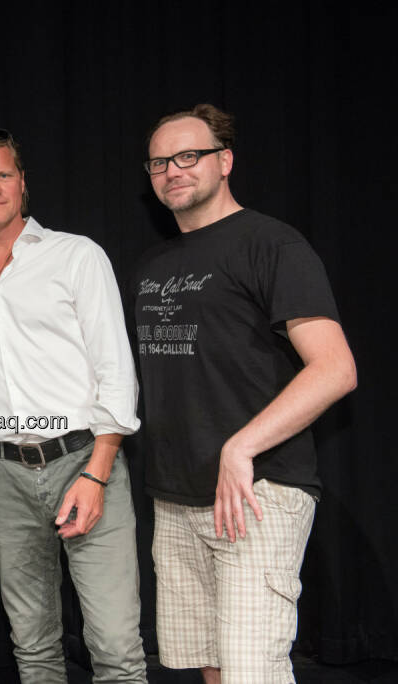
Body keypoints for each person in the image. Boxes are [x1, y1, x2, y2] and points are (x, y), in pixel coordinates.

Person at [133, 104, 357, 683]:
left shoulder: (271, 244)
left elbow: (335, 369)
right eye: (160, 162)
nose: (172, 170)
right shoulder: (154, 264)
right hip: (177, 496)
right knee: (209, 666)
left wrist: (241, 447)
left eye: (189, 156)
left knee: (250, 672)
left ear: (224, 161)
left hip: (258, 492)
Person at [0, 129, 147, 683]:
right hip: (2, 473)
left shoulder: (75, 255)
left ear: (23, 183)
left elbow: (115, 369)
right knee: (32, 648)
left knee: (116, 648)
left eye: (2, 174)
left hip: (83, 459)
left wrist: (98, 474)